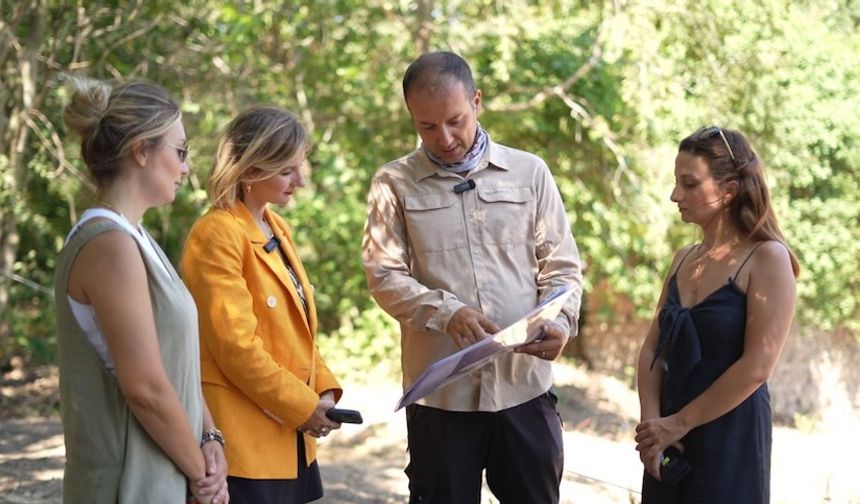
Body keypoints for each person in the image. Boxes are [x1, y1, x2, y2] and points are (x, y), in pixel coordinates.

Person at [362, 51, 584, 503]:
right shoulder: (393, 184)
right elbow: (383, 275)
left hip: (525, 389)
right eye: (426, 126)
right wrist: (446, 313)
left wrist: (562, 324)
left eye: (455, 120)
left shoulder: (530, 172)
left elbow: (562, 268)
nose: (443, 138)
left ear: (477, 102)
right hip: (442, 401)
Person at [55, 77, 228, 503]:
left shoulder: (135, 237)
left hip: (162, 471)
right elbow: (146, 387)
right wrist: (202, 475)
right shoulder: (108, 245)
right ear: (140, 150)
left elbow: (175, 362)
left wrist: (209, 435)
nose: (187, 168)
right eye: (181, 151)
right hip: (126, 483)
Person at [181, 106, 343, 504]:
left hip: (289, 440)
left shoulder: (274, 225)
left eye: (299, 167)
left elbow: (297, 328)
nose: (300, 182)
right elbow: (235, 347)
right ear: (251, 171)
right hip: (243, 447)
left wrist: (323, 391)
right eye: (287, 170)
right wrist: (303, 406)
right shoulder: (216, 233)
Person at [635, 126, 800, 503]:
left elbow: (758, 365)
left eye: (689, 184)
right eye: (676, 183)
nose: (675, 195)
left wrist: (677, 424)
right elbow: (650, 352)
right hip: (667, 441)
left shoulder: (767, 258)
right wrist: (653, 430)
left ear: (728, 191)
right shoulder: (682, 260)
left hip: (731, 439)